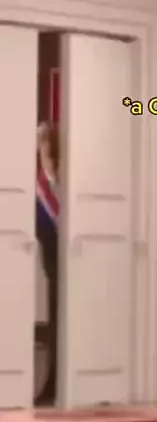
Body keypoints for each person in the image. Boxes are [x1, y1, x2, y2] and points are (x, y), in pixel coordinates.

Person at [35, 122, 59, 404]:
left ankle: (54, 385)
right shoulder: (41, 180)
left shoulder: (54, 181)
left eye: (43, 140)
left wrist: (50, 173)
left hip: (61, 262)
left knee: (58, 324)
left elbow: (59, 216)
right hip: (47, 260)